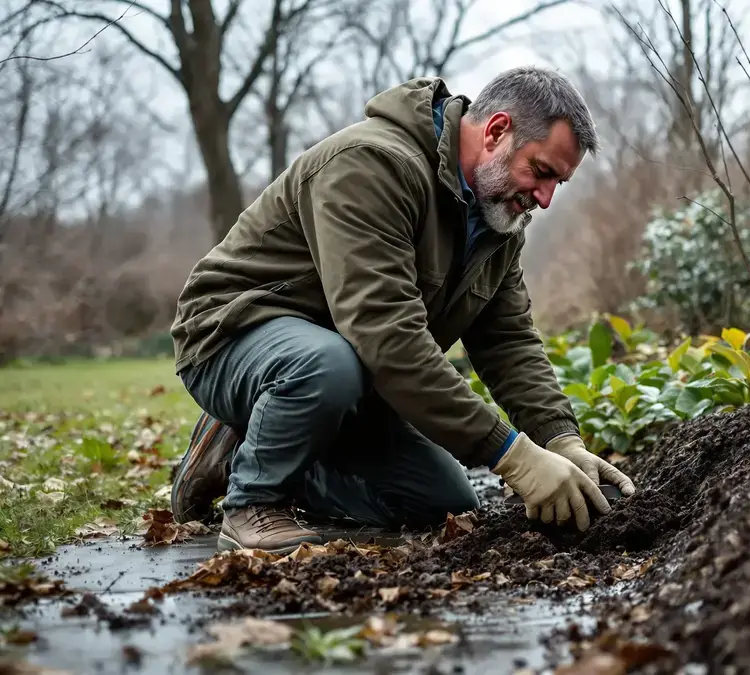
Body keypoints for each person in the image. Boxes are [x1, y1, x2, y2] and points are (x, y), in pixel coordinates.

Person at [168, 66, 636, 555]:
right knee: (324, 366)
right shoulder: (370, 166)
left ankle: (242, 454)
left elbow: (508, 342)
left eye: (558, 182)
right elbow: (386, 335)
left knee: (441, 501)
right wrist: (514, 457)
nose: (544, 198)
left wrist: (560, 439)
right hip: (235, 335)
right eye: (541, 171)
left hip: (352, 370)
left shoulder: (498, 221)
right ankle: (254, 503)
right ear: (496, 131)